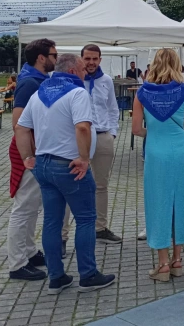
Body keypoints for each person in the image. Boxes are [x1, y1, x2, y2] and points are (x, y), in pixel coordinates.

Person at [15, 53, 116, 294]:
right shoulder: (77, 92)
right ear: (72, 71)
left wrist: (27, 156)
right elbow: (82, 126)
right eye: (82, 69)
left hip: (44, 164)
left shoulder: (40, 92)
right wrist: (83, 158)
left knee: (52, 220)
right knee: (85, 218)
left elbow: (20, 126)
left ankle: (56, 276)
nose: (85, 73)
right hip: (69, 164)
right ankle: (88, 274)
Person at [132, 49, 184, 282]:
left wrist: (154, 132)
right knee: (181, 201)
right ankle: (178, 261)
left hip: (157, 151)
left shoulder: (142, 93)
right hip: (181, 150)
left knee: (158, 202)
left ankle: (162, 264)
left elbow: (136, 129)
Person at [62, 45, 123, 248]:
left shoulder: (106, 81)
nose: (91, 63)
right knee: (70, 186)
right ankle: (62, 235)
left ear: (100, 59)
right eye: (87, 58)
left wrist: (112, 133)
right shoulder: (73, 81)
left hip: (103, 136)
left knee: (101, 185)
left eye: (94, 59)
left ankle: (100, 228)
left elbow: (113, 108)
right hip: (78, 138)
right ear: (81, 59)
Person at [7, 38, 56, 281]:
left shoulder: (34, 79)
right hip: (29, 151)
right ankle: (17, 263)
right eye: (53, 55)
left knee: (32, 205)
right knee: (24, 206)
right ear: (41, 58)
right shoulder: (30, 83)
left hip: (32, 149)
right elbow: (18, 123)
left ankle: (28, 251)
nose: (55, 59)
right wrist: (30, 154)